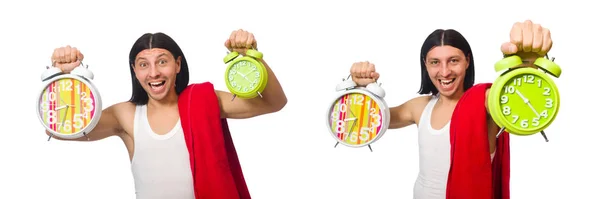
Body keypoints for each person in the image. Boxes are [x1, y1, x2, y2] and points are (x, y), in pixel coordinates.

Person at [46, 29, 287, 199]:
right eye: (143, 64)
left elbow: (274, 102)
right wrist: (64, 76)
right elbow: (60, 129)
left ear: (178, 65)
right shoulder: (125, 116)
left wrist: (253, 57)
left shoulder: (205, 101)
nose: (153, 73)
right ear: (134, 70)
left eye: (162, 62)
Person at [349, 20, 554, 199]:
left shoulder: (483, 102)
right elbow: (371, 119)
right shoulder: (420, 107)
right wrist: (361, 87)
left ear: (467, 61)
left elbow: (510, 97)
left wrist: (527, 66)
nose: (444, 71)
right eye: (435, 62)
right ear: (425, 65)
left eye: (453, 61)